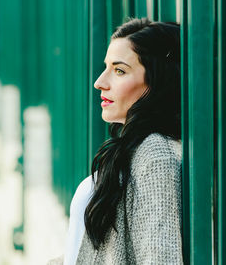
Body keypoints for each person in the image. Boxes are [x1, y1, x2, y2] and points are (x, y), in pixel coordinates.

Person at [48, 18, 183, 264]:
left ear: (156, 82)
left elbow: (160, 257)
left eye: (119, 71)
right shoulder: (135, 149)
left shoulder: (156, 156)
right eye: (106, 67)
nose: (100, 82)